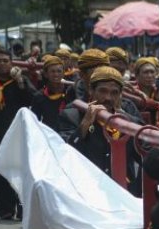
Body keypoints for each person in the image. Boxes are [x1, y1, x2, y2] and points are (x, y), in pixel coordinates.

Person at [57, 66, 143, 197]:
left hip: (123, 195)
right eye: (102, 91)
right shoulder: (72, 116)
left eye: (114, 93)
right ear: (91, 90)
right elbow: (64, 155)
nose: (108, 97)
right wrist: (85, 124)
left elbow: (146, 157)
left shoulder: (129, 120)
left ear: (120, 95)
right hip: (86, 193)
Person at [0, 46, 33, 220]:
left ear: (11, 63)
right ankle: (5, 209)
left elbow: (33, 99)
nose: (2, 64)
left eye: (5, 61)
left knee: (18, 170)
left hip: (15, 133)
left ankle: (22, 206)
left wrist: (20, 82)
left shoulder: (19, 81)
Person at [30, 54, 69, 130]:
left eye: (59, 71)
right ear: (46, 74)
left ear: (63, 73)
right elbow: (34, 122)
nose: (56, 74)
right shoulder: (39, 96)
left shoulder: (70, 93)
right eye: (52, 71)